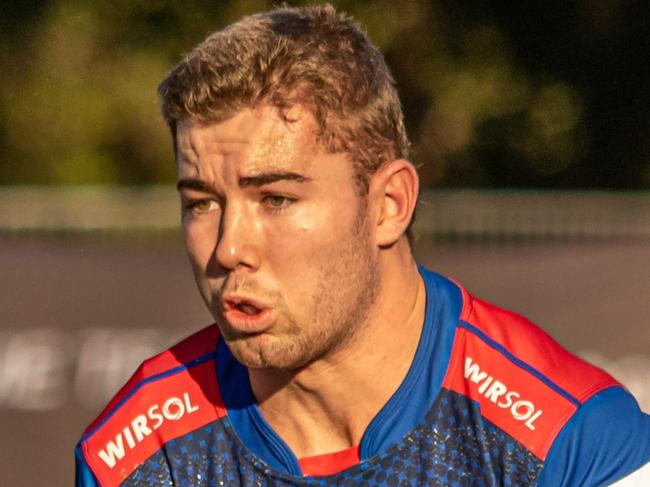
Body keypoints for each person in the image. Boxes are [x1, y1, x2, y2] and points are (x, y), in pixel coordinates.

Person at [75, 4, 650, 486]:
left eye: (275, 198)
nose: (227, 249)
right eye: (201, 202)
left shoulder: (570, 442)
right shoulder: (140, 456)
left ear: (388, 205)